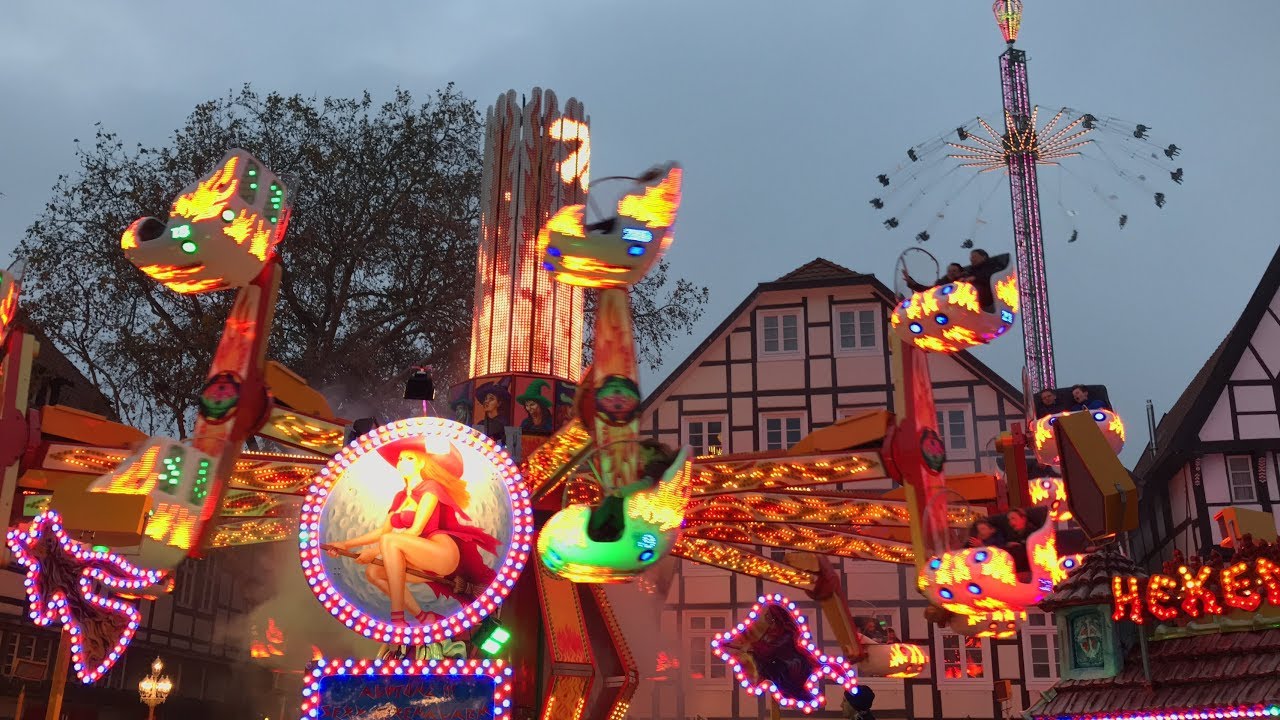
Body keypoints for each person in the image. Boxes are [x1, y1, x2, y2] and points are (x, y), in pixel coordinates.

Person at [328, 442, 499, 627]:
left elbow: (416, 530)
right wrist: (346, 544)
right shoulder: (400, 497)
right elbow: (383, 531)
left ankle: (397, 619)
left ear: (422, 463)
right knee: (373, 572)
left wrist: (374, 552)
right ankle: (423, 617)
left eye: (410, 458)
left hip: (442, 553)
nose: (402, 462)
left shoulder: (431, 488)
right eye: (400, 459)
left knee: (390, 542)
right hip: (419, 558)